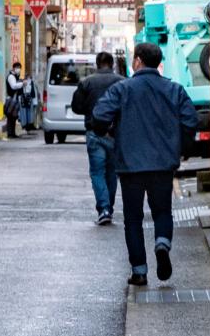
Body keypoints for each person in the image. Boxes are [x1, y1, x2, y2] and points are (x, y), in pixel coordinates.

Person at [91, 41, 199, 287]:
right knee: (162, 211)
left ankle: (139, 271)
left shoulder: (123, 89)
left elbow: (99, 115)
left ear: (138, 61)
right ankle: (162, 242)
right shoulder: (174, 89)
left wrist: (107, 132)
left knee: (133, 218)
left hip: (130, 166)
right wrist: (180, 150)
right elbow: (190, 121)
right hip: (163, 165)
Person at [71, 51, 124, 225]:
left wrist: (90, 108)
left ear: (97, 64)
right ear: (112, 64)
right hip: (115, 134)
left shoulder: (86, 83)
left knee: (97, 172)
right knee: (111, 172)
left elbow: (76, 107)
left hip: (94, 132)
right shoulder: (122, 82)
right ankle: (109, 206)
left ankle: (104, 209)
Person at [4, 63, 26, 138]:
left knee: (13, 116)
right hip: (10, 99)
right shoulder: (11, 76)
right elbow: (13, 86)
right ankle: (10, 133)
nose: (18, 69)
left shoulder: (16, 76)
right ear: (13, 68)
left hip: (14, 99)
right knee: (10, 116)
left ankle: (12, 133)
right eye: (17, 67)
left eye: (19, 68)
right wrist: (22, 84)